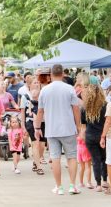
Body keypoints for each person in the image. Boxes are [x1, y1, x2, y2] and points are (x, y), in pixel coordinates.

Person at [35, 64, 81, 195]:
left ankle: (59, 186)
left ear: (50, 75)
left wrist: (37, 127)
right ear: (63, 74)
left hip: (51, 129)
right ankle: (72, 185)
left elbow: (40, 111)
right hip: (68, 128)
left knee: (55, 158)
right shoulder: (69, 89)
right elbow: (76, 108)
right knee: (71, 157)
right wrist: (78, 125)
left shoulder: (44, 90)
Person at [81, 84, 109, 192]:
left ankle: (98, 184)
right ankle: (105, 180)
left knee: (95, 160)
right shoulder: (105, 106)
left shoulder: (84, 107)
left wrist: (82, 137)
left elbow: (83, 125)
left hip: (90, 136)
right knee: (104, 158)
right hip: (103, 136)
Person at [21, 77, 45, 175]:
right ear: (30, 85)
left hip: (43, 121)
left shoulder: (43, 95)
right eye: (34, 82)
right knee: (35, 143)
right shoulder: (25, 97)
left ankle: (36, 161)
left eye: (38, 83)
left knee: (42, 145)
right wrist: (23, 125)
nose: (36, 84)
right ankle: (39, 167)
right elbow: (22, 112)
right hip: (30, 122)